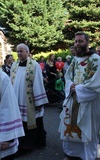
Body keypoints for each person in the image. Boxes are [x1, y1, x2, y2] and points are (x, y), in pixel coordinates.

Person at [58, 32, 100, 160]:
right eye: (76, 41)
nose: (77, 44)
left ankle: (88, 156)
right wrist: (70, 85)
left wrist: (78, 89)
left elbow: (96, 83)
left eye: (81, 41)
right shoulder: (75, 59)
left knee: (88, 130)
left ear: (87, 43)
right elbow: (68, 76)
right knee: (70, 126)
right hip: (73, 99)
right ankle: (72, 154)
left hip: (89, 102)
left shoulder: (96, 59)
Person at [10, 43, 48, 153]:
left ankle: (30, 144)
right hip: (17, 99)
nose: (19, 53)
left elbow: (38, 83)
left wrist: (39, 101)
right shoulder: (14, 65)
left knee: (32, 121)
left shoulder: (34, 65)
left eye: (21, 51)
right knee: (20, 121)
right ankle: (21, 143)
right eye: (17, 51)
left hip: (29, 100)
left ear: (27, 52)